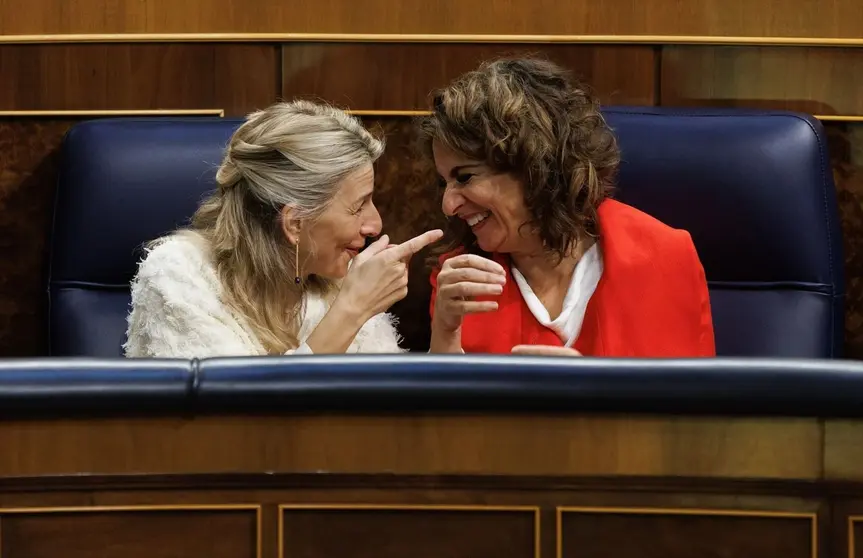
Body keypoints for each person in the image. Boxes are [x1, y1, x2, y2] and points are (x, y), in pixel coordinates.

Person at [421, 57, 715, 357]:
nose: (448, 205)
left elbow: (691, 387)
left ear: (535, 167)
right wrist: (444, 339)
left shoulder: (665, 258)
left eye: (465, 177)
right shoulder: (458, 280)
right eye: (444, 182)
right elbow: (451, 389)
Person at [124, 100, 442, 358]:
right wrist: (351, 310)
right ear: (295, 224)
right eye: (358, 207)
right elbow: (238, 414)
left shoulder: (337, 278)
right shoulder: (180, 276)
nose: (375, 225)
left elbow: (389, 408)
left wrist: (445, 330)